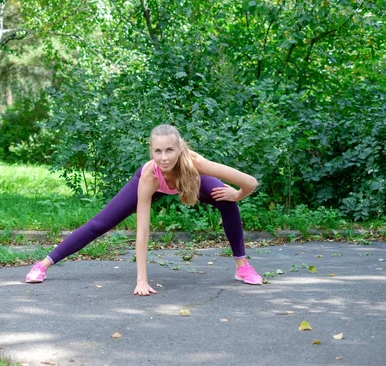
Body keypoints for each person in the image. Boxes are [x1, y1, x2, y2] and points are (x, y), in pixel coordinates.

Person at [25, 124, 263, 295]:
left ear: (180, 148)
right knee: (101, 223)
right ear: (151, 150)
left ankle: (242, 266)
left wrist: (237, 194)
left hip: (189, 180)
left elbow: (250, 182)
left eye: (169, 150)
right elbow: (142, 230)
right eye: (157, 151)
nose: (164, 157)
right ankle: (43, 264)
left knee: (227, 201)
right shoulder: (150, 175)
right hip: (155, 184)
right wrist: (141, 280)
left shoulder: (196, 164)